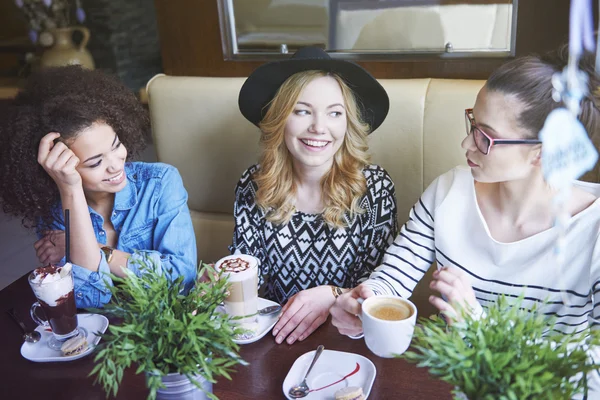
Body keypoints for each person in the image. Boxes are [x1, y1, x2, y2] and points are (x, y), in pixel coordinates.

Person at [330, 48, 600, 389]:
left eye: (485, 137)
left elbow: (591, 374)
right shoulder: (449, 191)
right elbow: (392, 279)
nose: (466, 143)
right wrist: (364, 303)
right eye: (473, 123)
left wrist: (480, 328)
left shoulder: (593, 234)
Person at [232, 46, 398, 345]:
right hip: (275, 338)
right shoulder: (252, 184)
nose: (319, 128)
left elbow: (380, 288)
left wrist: (334, 295)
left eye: (334, 113)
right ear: (280, 118)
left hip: (347, 338)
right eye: (302, 111)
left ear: (347, 123)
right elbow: (248, 273)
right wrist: (221, 285)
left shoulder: (375, 188)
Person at [0, 66, 197, 308]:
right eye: (95, 162)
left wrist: (100, 251)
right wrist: (70, 190)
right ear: (62, 168)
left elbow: (181, 278)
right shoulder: (57, 210)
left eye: (116, 145)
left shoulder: (159, 182)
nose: (115, 166)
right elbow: (92, 298)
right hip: (102, 333)